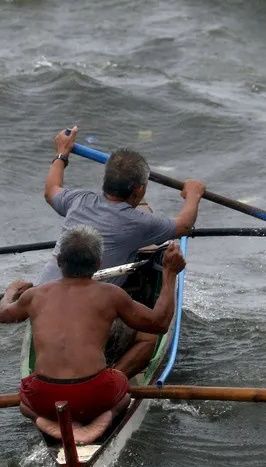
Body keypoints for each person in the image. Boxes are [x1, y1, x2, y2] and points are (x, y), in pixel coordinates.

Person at [39, 125, 206, 379]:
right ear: (138, 191)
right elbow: (183, 225)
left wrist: (62, 153)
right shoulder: (138, 223)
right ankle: (110, 381)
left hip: (45, 308)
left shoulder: (77, 200)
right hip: (84, 317)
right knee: (150, 335)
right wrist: (193, 194)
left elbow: (51, 190)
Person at [0, 226, 186, 444]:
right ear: (98, 264)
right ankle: (107, 415)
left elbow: (4, 315)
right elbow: (160, 323)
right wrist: (169, 274)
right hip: (95, 397)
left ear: (59, 261)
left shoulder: (33, 295)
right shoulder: (111, 294)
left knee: (24, 402)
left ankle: (43, 419)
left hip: (46, 399)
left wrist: (10, 292)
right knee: (124, 392)